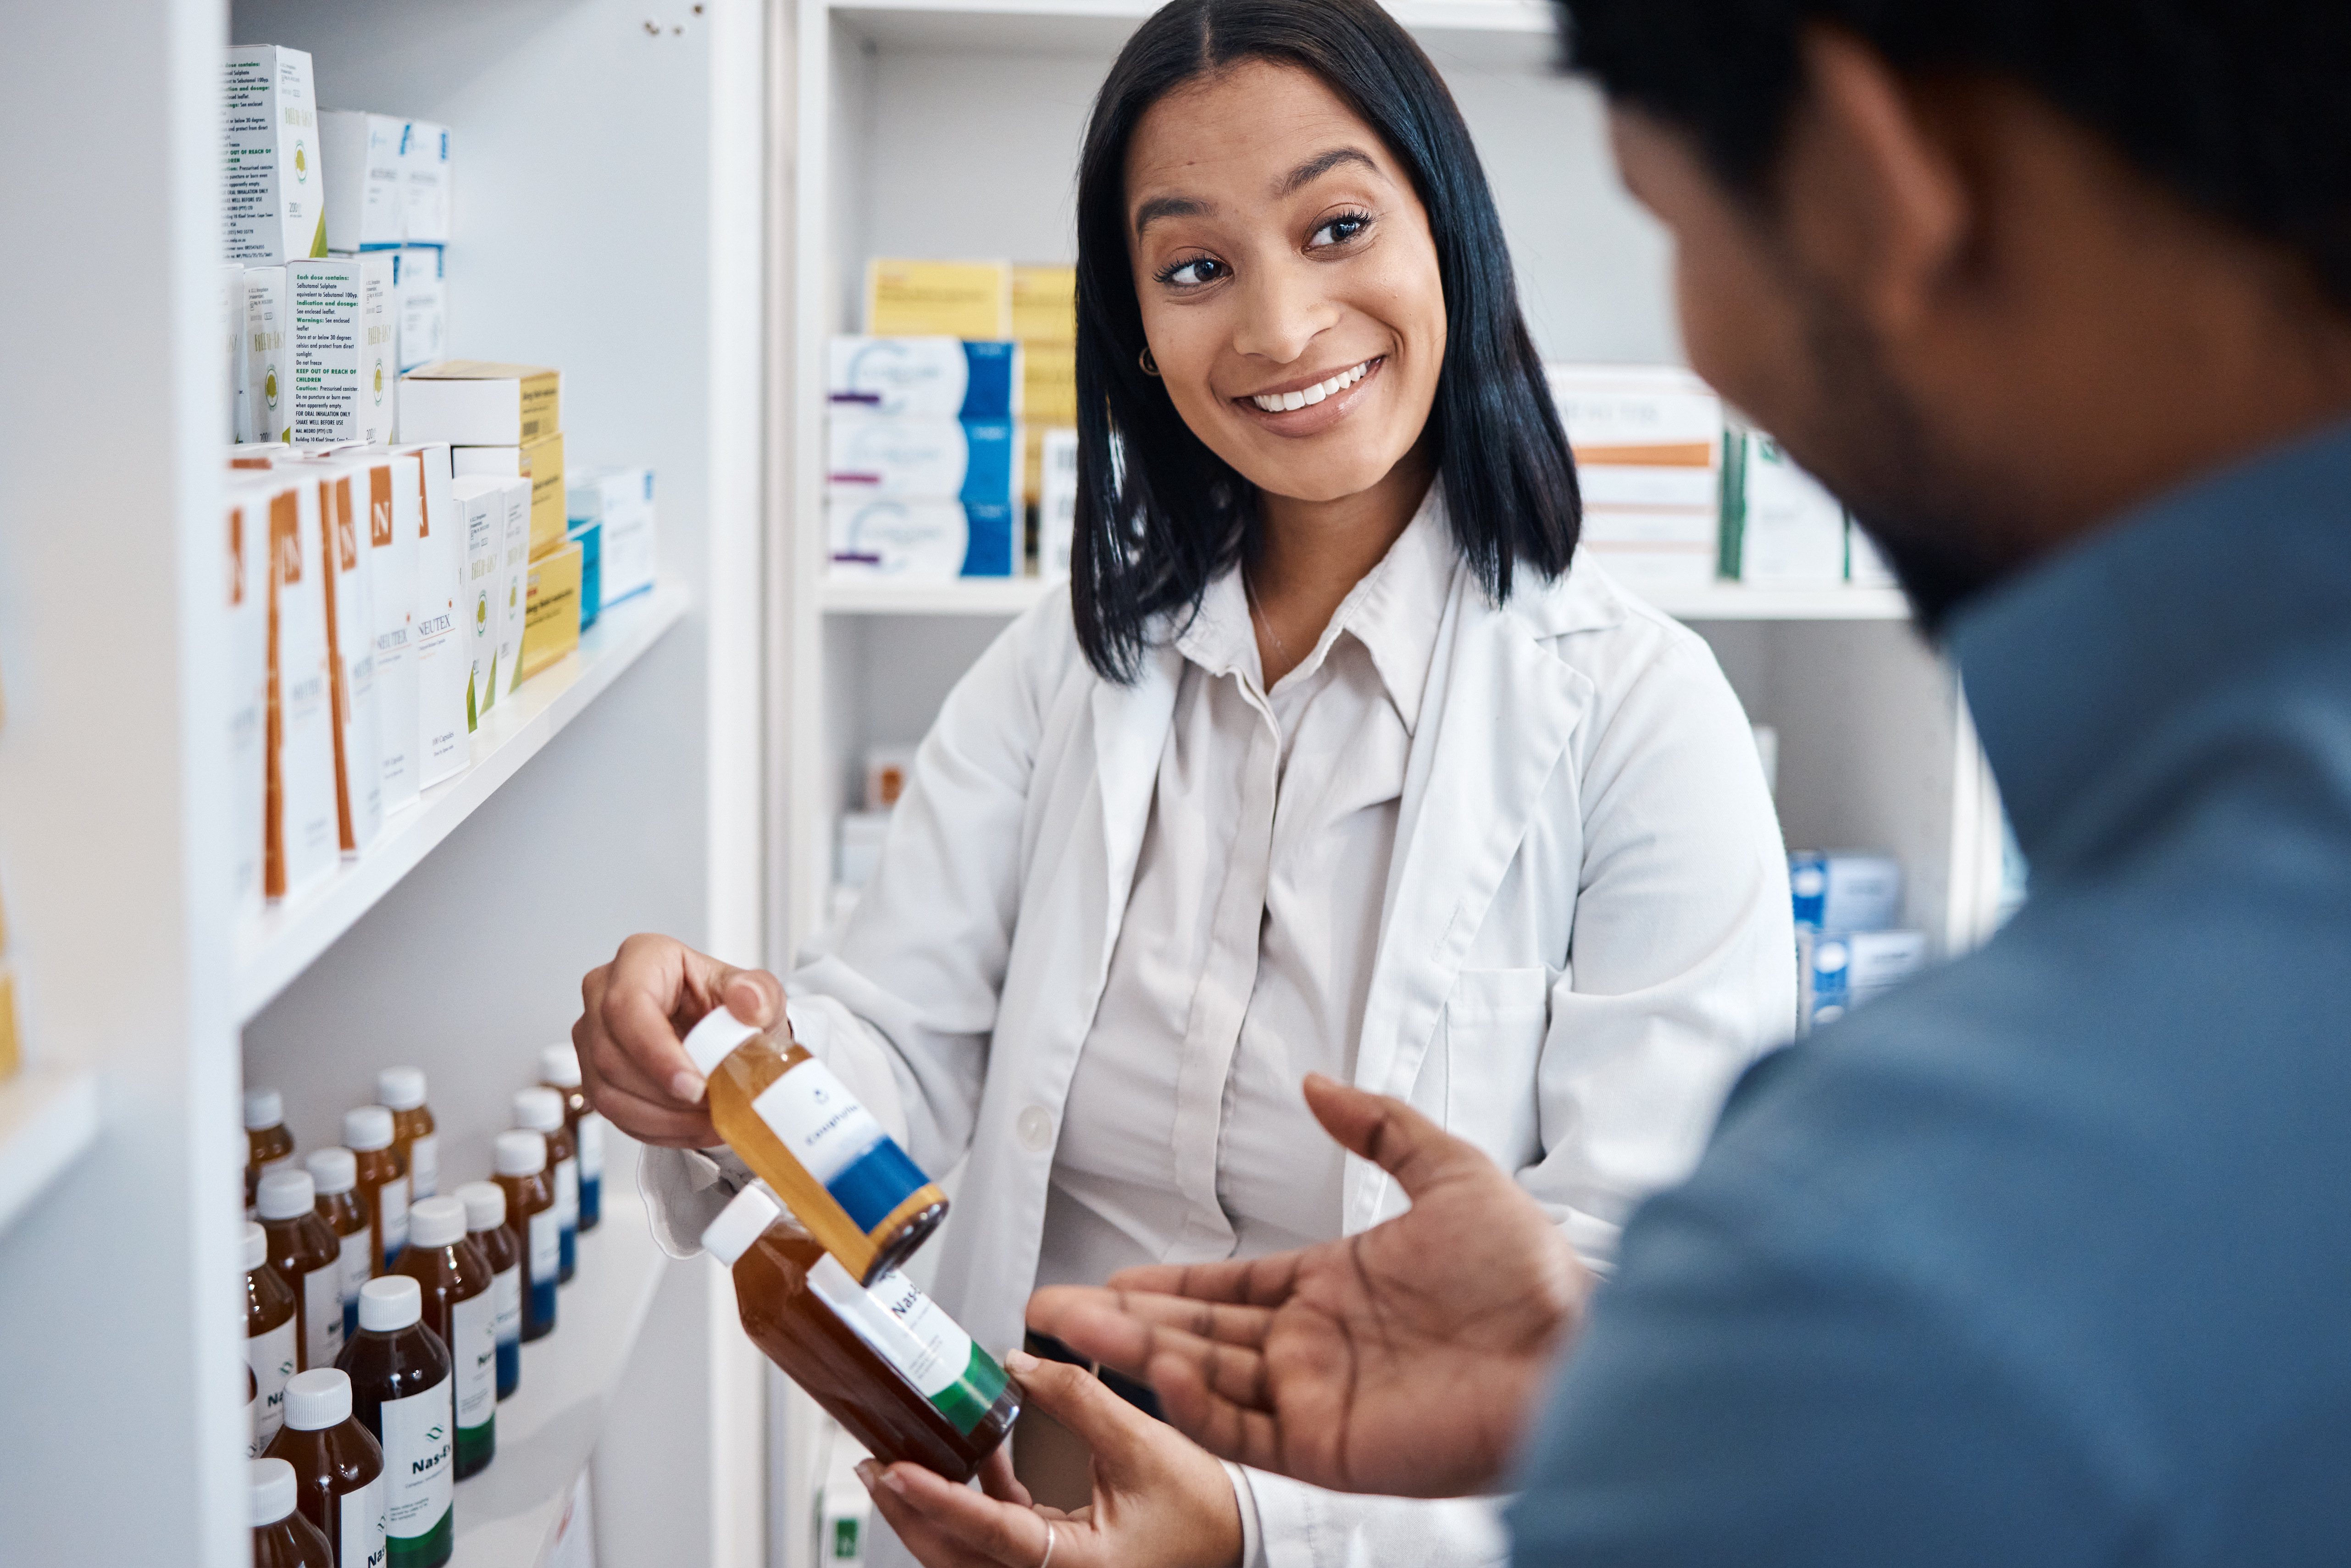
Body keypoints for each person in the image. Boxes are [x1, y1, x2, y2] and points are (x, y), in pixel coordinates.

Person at [1006, 0, 2351, 1563]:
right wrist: (1594, 1366)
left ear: (1868, 184)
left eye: (1664, 219)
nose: (1284, 325)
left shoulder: (1888, 1281)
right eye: (1195, 267)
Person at [572, 0, 1796, 1562]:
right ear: (1136, 325)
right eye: (1197, 266)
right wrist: (730, 1068)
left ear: (1450, 237)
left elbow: (1653, 1321)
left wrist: (1246, 1534)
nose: (1281, 328)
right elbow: (902, 1034)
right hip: (1028, 1505)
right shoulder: (1071, 661)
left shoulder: (1635, 711)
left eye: (1338, 225)